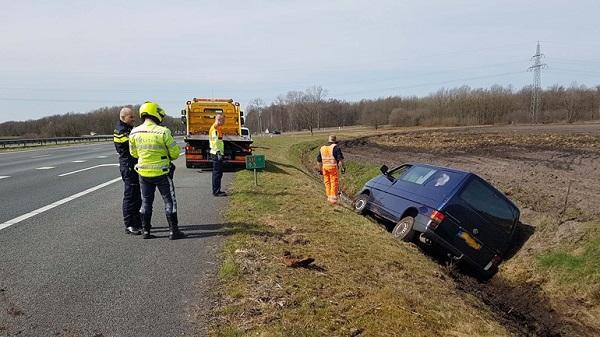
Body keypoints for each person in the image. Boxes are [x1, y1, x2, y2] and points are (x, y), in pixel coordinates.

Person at [129, 101, 185, 240]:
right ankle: (173, 231)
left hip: (143, 173)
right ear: (156, 114)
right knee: (169, 201)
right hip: (162, 173)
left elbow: (134, 154)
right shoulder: (163, 131)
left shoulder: (134, 132)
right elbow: (175, 153)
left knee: (146, 202)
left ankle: (146, 231)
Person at [113, 107, 142, 235]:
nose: (133, 119)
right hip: (128, 165)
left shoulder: (128, 129)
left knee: (137, 195)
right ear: (123, 117)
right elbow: (132, 143)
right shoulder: (121, 130)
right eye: (131, 117)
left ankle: (137, 221)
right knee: (130, 196)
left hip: (133, 165)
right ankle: (129, 224)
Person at [317, 135, 345, 204]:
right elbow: (340, 160)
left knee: (327, 182)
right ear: (335, 141)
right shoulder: (336, 148)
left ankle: (329, 196)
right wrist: (343, 168)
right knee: (334, 182)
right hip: (333, 168)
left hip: (324, 168)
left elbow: (319, 161)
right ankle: (333, 200)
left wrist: (320, 170)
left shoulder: (322, 148)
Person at [209, 113, 227, 197]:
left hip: (217, 153)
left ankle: (217, 190)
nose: (224, 122)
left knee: (219, 173)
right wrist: (219, 153)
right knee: (217, 173)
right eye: (223, 120)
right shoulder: (215, 129)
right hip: (216, 153)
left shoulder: (218, 128)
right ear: (219, 120)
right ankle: (216, 191)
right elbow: (215, 142)